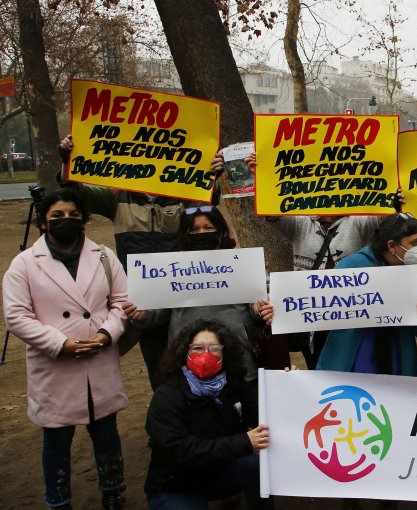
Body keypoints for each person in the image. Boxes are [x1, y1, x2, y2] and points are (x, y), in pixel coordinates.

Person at [58, 135, 225, 389]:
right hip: (142, 298)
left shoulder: (181, 192)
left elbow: (207, 199)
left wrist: (212, 174)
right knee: (158, 362)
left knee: (189, 352)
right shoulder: (116, 196)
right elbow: (75, 191)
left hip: (181, 292)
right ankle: (166, 410)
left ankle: (196, 409)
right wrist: (68, 160)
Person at [3, 188, 128, 510]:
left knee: (106, 434)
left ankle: (113, 492)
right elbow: (16, 315)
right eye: (57, 216)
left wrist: (105, 334)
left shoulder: (103, 256)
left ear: (85, 219)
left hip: (99, 359)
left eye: (73, 215)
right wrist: (60, 343)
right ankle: (59, 500)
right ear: (43, 222)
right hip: (55, 364)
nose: (66, 221)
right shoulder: (24, 264)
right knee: (57, 440)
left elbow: (121, 304)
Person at [245, 152, 385, 369]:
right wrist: (259, 177)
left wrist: (394, 191)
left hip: (350, 311)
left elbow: (384, 214)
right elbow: (272, 210)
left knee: (353, 366)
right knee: (318, 366)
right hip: (313, 314)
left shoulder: (357, 222)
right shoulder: (301, 224)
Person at [122, 205, 274, 380]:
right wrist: (143, 315)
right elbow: (158, 310)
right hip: (185, 361)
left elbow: (262, 303)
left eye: (208, 227)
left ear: (220, 230)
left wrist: (260, 308)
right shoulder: (172, 269)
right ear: (185, 234)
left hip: (240, 360)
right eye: (194, 229)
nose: (202, 233)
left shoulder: (244, 263)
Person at [145, 319, 272, 510]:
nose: (206, 355)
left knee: (258, 465)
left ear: (225, 352)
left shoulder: (234, 385)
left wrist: (286, 384)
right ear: (185, 351)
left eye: (214, 348)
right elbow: (181, 451)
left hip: (218, 474)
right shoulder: (166, 396)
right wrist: (243, 442)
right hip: (176, 484)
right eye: (197, 348)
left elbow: (263, 418)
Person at [316, 212, 417, 375]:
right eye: (415, 243)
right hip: (354, 363)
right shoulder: (353, 266)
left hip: (398, 364)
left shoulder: (415, 275)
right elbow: (317, 305)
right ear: (392, 246)